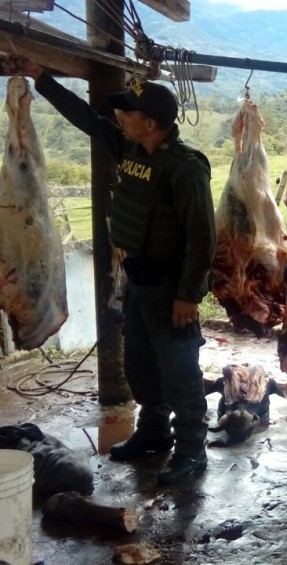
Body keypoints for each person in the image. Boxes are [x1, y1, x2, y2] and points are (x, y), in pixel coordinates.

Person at [4, 55, 217, 485]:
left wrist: (189, 296)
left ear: (152, 123)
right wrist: (42, 77)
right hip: (138, 284)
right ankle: (154, 432)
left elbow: (203, 238)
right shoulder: (131, 147)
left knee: (179, 371)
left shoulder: (185, 168)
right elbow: (88, 118)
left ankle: (192, 450)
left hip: (171, 287)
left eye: (128, 112)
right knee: (140, 364)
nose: (119, 116)